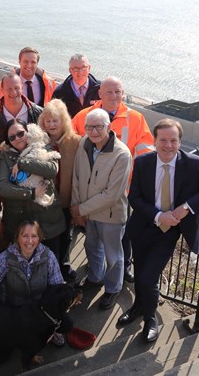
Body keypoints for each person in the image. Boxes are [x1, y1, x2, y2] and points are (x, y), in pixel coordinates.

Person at [118, 119, 199, 342]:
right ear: (154, 140)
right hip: (143, 226)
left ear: (180, 142)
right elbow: (135, 198)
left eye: (173, 140)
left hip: (169, 232)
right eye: (163, 140)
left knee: (149, 277)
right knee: (140, 274)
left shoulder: (193, 164)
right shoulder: (142, 162)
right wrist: (159, 215)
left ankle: (151, 320)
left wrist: (186, 208)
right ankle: (138, 307)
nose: (168, 145)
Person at [72, 76, 155, 283]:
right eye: (109, 92)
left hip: (123, 189)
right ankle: (96, 272)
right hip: (92, 191)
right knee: (93, 238)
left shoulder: (135, 118)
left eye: (118, 91)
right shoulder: (85, 116)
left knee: (121, 236)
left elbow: (145, 151)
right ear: (99, 93)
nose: (114, 96)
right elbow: (75, 147)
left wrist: (135, 181)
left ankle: (122, 269)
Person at [71, 109, 131, 311]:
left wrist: (81, 208)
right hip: (88, 212)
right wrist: (77, 208)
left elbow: (111, 195)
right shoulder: (84, 144)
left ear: (109, 127)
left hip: (110, 215)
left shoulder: (121, 154)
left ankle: (113, 288)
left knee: (113, 255)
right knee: (92, 246)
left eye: (98, 126)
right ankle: (96, 277)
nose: (93, 131)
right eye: (89, 126)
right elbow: (77, 177)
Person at [0, 119, 65, 255]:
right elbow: (2, 187)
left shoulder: (43, 147)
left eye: (21, 133)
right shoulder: (5, 156)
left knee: (51, 263)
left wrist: (23, 163)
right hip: (20, 225)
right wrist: (31, 193)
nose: (17, 139)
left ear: (28, 131)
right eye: (12, 137)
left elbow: (51, 169)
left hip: (48, 222)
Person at [37, 99, 81, 281]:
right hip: (44, 200)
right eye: (48, 121)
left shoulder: (76, 142)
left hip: (66, 198)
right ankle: (47, 267)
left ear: (64, 121)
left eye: (56, 120)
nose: (52, 125)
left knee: (66, 235)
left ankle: (64, 264)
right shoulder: (38, 142)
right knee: (47, 235)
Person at [0, 73, 43, 145]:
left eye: (16, 88)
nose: (14, 92)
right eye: (9, 89)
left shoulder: (39, 113)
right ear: (2, 90)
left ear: (22, 88)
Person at [51, 54, 100, 118]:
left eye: (83, 68)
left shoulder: (102, 89)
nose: (80, 72)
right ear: (70, 70)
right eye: (76, 69)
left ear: (89, 68)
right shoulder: (59, 93)